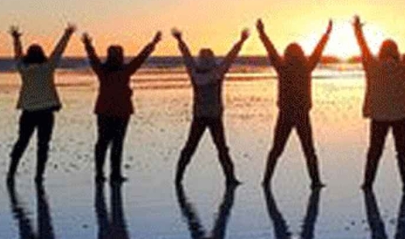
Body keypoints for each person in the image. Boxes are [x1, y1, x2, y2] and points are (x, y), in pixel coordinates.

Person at [355, 12, 405, 191]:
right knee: (403, 151)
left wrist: (357, 30)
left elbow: (363, 48)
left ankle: (367, 183)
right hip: (400, 115)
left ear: (381, 52)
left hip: (379, 115)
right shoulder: (403, 66)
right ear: (395, 51)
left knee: (374, 151)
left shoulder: (372, 66)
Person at [257, 18, 333, 188]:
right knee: (308, 150)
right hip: (299, 114)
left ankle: (267, 180)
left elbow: (271, 51)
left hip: (287, 113)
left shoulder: (283, 67)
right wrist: (326, 35)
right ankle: (315, 180)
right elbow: (317, 52)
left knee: (277, 149)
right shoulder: (305, 67)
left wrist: (262, 34)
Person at [172, 27, 250, 184]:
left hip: (200, 115)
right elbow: (230, 57)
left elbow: (187, 57)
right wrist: (240, 42)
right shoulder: (217, 72)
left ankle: (178, 177)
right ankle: (230, 178)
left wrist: (181, 41)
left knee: (191, 147)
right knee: (221, 148)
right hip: (213, 116)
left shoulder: (195, 72)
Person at [82, 29, 161, 184]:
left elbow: (93, 59)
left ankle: (100, 173)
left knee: (102, 142)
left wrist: (88, 44)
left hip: (105, 110)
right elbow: (141, 58)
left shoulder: (103, 71)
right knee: (117, 143)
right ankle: (114, 174)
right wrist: (153, 43)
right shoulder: (125, 71)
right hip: (121, 111)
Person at [7, 24, 75, 184]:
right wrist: (67, 34)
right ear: (42, 55)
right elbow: (59, 51)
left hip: (28, 112)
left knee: (22, 141)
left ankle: (11, 171)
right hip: (45, 113)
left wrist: (16, 39)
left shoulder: (23, 68)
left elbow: (17, 55)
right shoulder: (47, 67)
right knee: (43, 144)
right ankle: (39, 175)